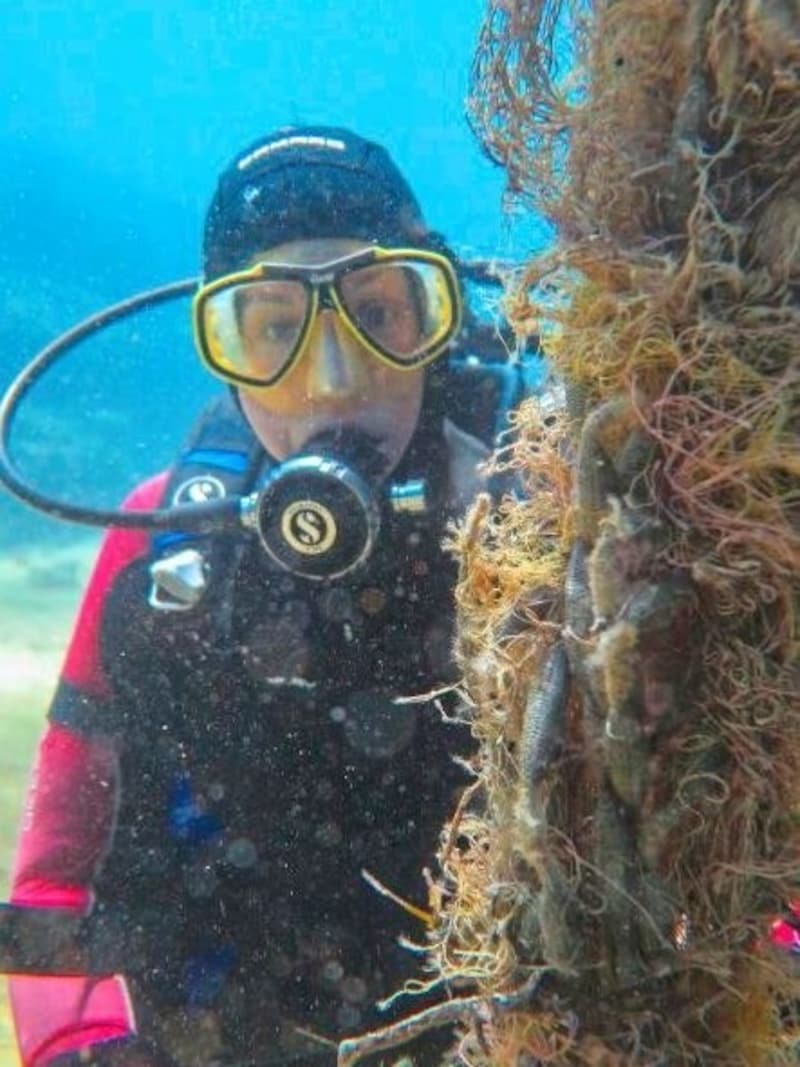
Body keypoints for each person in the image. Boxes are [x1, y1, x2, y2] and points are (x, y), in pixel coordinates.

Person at [7, 127, 494, 1067]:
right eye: (276, 329)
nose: (337, 379)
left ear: (436, 320)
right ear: (224, 352)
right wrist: (81, 1045)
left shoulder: (545, 522)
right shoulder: (161, 546)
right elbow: (56, 886)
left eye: (380, 313)